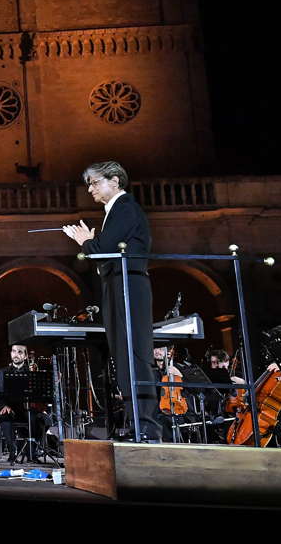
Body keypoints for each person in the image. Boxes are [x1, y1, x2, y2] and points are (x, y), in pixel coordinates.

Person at [63, 160, 161, 441]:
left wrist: (85, 242)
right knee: (124, 356)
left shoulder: (124, 207)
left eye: (94, 182)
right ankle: (137, 424)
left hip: (129, 286)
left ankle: (147, 426)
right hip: (118, 285)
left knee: (135, 355)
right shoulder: (114, 211)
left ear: (115, 181)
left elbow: (103, 250)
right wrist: (92, 245)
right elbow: (104, 255)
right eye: (89, 184)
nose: (90, 189)